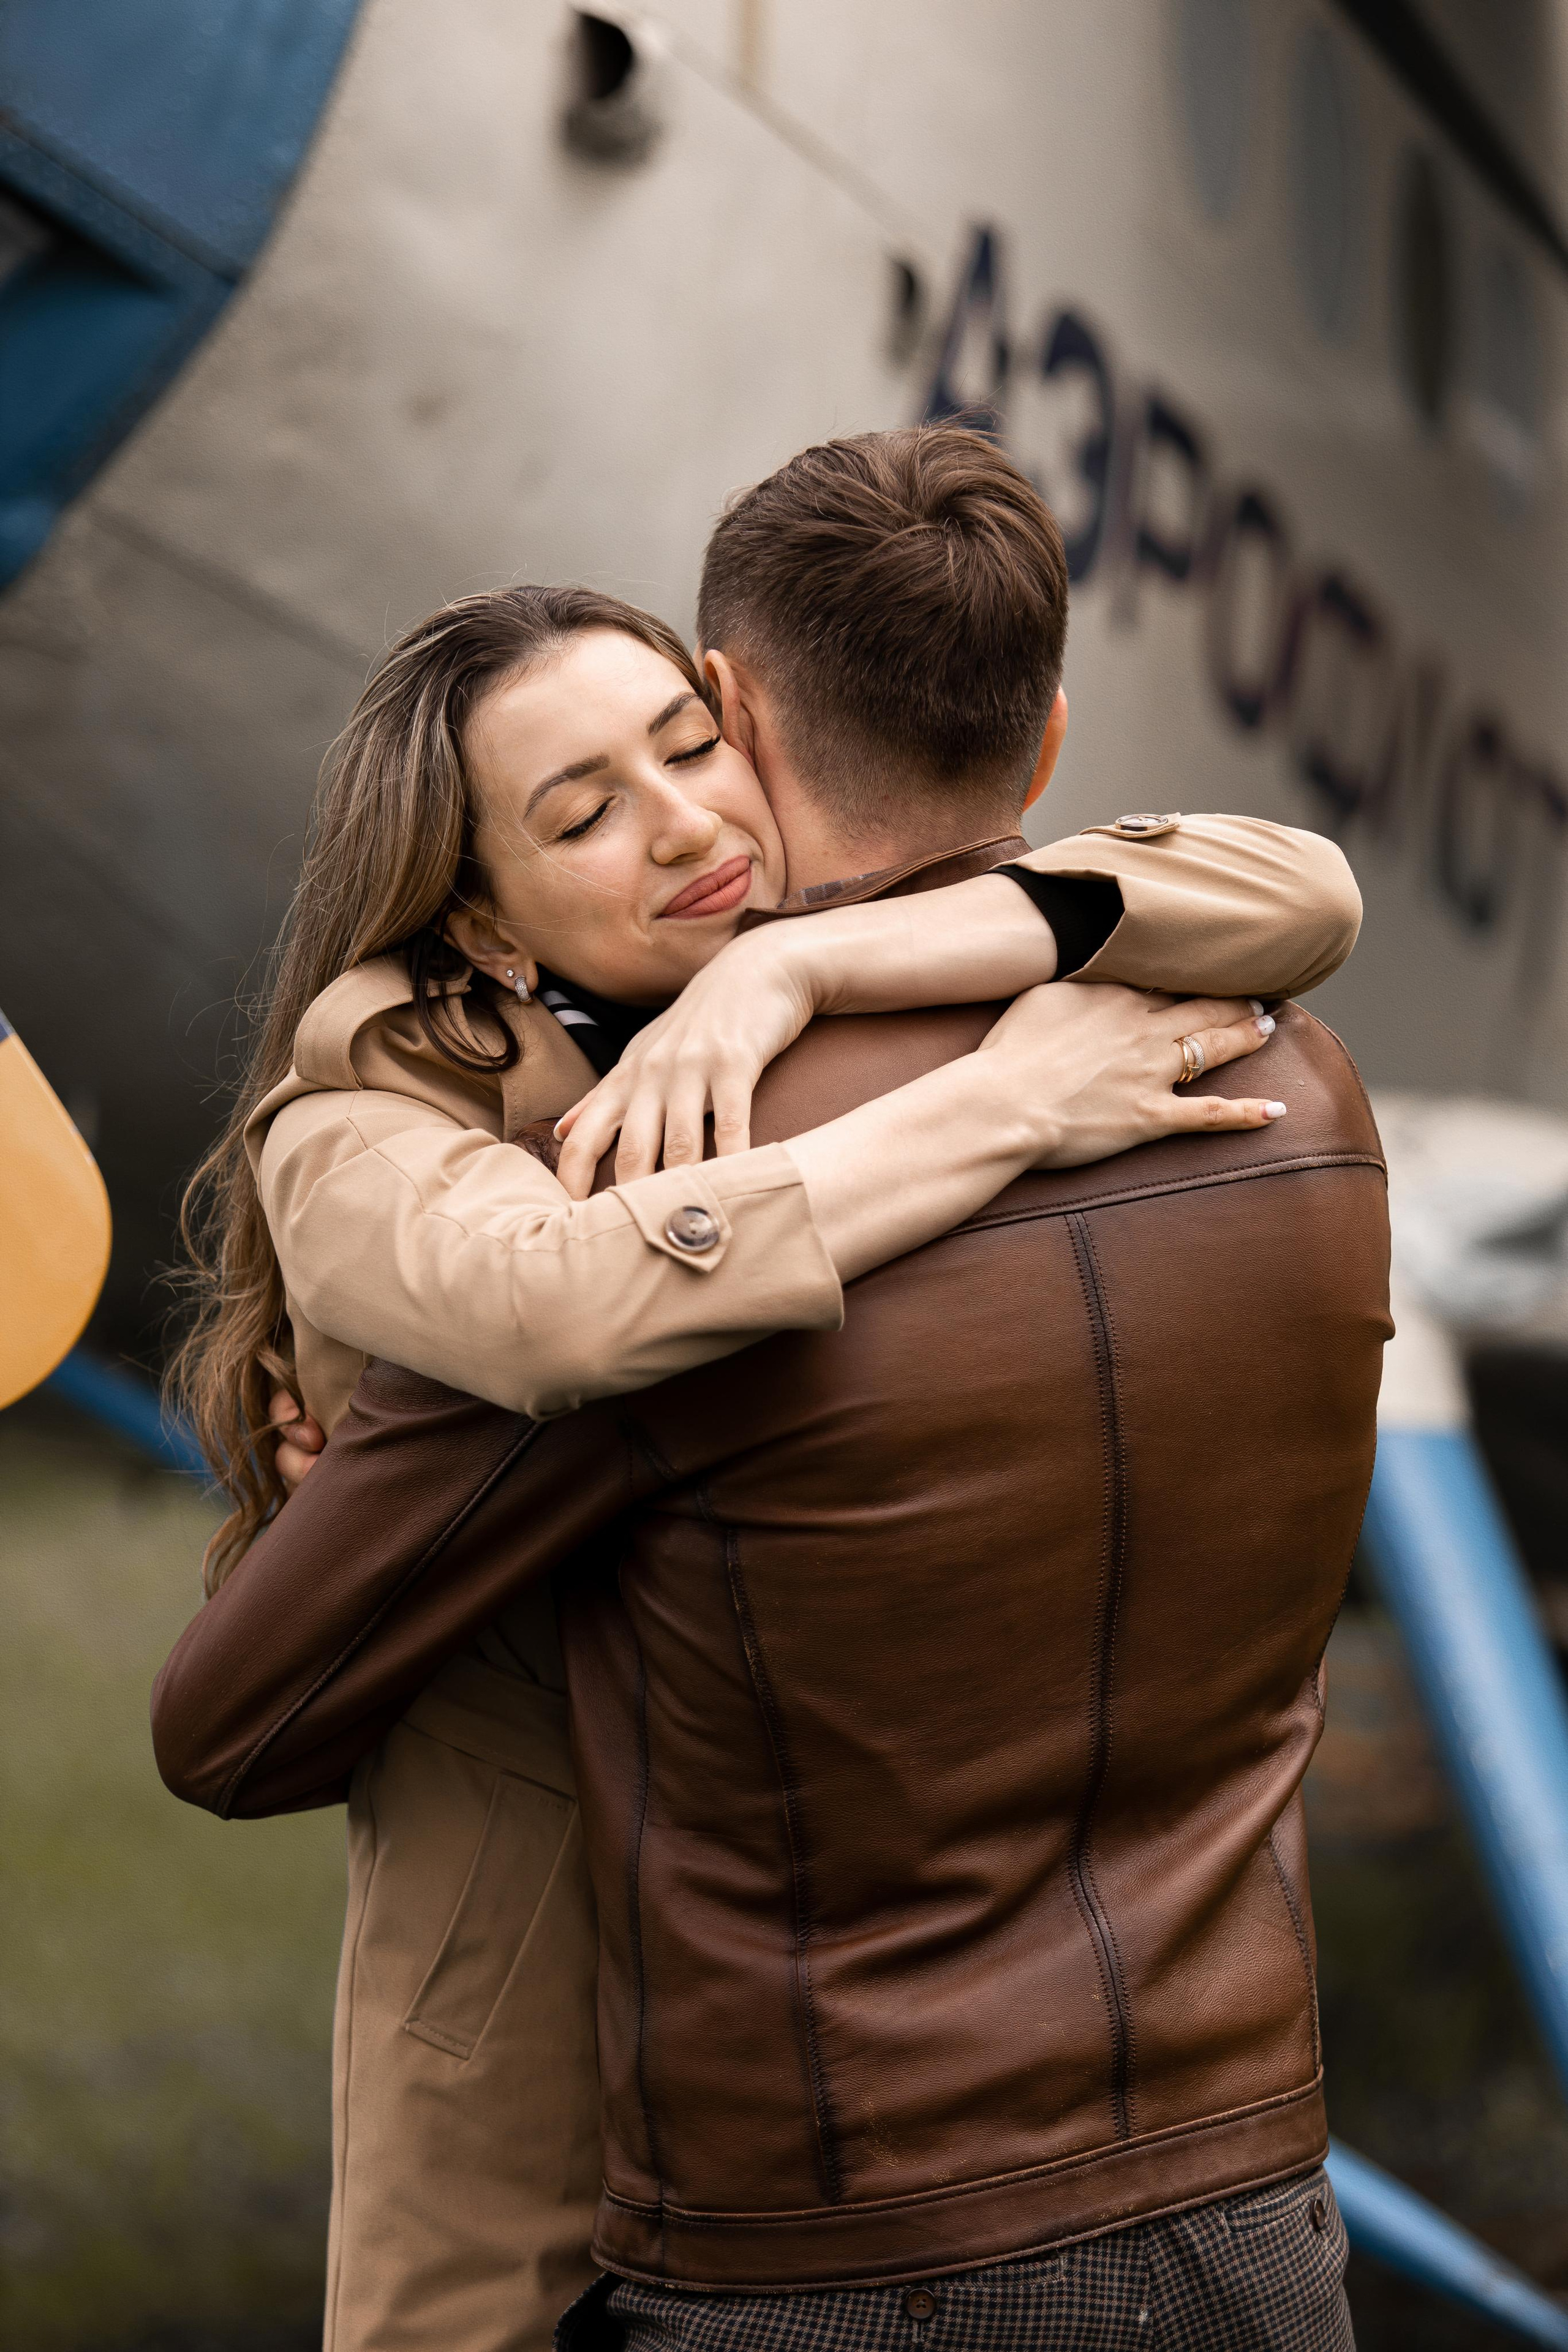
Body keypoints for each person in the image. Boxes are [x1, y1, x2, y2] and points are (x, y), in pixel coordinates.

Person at [159, 428, 1371, 2351]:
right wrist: (995, 1105)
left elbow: (1296, 881)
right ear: (478, 919)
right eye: (579, 813)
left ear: (743, 713)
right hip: (561, 2062)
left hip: (817, 2088)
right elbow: (549, 1314)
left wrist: (789, 985)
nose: (680, 824)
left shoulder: (776, 1007)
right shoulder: (397, 1132)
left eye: (686, 747)